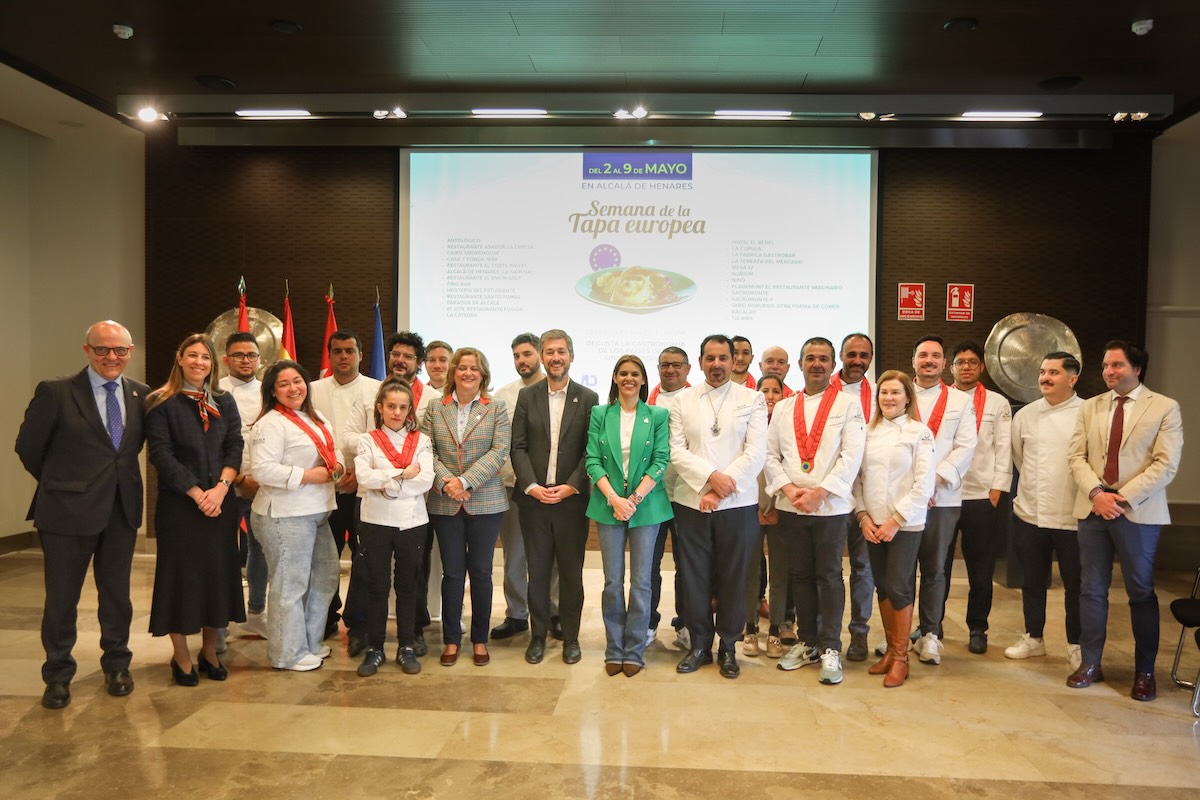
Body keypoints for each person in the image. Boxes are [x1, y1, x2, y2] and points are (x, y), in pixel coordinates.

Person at [16, 320, 149, 710]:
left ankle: (117, 666)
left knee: (117, 597)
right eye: (103, 349)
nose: (112, 357)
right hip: (65, 514)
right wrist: (64, 483)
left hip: (120, 511)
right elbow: (28, 447)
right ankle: (57, 675)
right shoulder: (56, 391)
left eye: (120, 350)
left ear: (130, 352)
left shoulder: (140, 394)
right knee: (61, 599)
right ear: (87, 350)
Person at [1067, 341, 1183, 701]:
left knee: (1141, 591)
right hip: (1093, 509)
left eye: (1116, 365)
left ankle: (1145, 672)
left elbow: (1166, 464)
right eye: (1105, 366)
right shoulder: (1090, 407)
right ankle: (1090, 663)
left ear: (1137, 369)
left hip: (1138, 512)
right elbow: (1076, 457)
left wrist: (1122, 497)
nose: (1108, 372)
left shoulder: (1164, 407)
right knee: (1091, 590)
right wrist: (1097, 494)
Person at [145, 334, 245, 685]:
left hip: (220, 505)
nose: (199, 362)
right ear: (179, 358)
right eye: (192, 355)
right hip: (180, 508)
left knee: (214, 578)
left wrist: (220, 489)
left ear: (213, 363)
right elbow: (161, 455)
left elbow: (235, 445)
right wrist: (197, 493)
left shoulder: (224, 401)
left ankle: (207, 650)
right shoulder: (160, 402)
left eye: (205, 357)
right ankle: (181, 656)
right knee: (180, 579)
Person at [765, 338, 866, 685]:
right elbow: (769, 455)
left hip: (830, 507)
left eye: (824, 359)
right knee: (801, 576)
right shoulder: (783, 407)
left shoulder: (848, 404)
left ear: (833, 363)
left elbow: (851, 456)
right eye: (811, 358)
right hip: (792, 505)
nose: (817, 364)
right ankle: (808, 641)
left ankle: (830, 647)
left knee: (828, 576)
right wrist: (791, 490)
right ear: (800, 363)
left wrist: (820, 493)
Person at [670, 334, 768, 679]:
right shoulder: (682, 400)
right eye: (710, 358)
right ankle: (699, 644)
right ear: (699, 363)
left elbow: (756, 452)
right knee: (693, 576)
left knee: (734, 576)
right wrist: (710, 478)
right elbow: (676, 450)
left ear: (735, 361)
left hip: (738, 505)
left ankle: (728, 646)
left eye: (723, 358)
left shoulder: (753, 399)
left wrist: (723, 487)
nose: (717, 364)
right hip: (691, 501)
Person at [512, 329, 599, 665]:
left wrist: (573, 485)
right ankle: (537, 636)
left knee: (571, 573)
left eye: (561, 351)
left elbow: (590, 451)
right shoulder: (528, 396)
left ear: (571, 356)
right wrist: (531, 485)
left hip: (571, 502)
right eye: (549, 352)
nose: (555, 358)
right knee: (537, 570)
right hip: (533, 502)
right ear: (542, 356)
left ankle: (572, 639)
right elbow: (517, 446)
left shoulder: (588, 398)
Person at [249, 360, 341, 671]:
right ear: (273, 391)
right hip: (285, 515)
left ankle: (309, 642)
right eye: (284, 384)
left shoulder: (315, 417)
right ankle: (286, 653)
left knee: (325, 578)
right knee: (290, 585)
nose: (294, 388)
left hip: (318, 511)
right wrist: (309, 475)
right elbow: (261, 470)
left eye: (298, 381)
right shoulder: (270, 423)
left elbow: (333, 451)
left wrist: (337, 466)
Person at [422, 347, 511, 667]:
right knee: (452, 573)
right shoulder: (435, 408)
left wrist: (466, 482)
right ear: (453, 372)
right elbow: (426, 451)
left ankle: (479, 639)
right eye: (462, 368)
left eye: (474, 368)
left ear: (483, 374)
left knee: (482, 573)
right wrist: (448, 483)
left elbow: (500, 452)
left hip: (486, 503)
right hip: (445, 502)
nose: (467, 373)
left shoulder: (496, 408)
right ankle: (450, 639)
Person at [585, 355, 672, 677]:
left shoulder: (658, 414)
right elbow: (592, 460)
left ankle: (634, 649)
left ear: (644, 380)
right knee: (611, 582)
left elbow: (661, 459)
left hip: (646, 507)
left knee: (641, 582)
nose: (629, 378)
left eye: (635, 374)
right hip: (608, 504)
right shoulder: (599, 413)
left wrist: (633, 499)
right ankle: (614, 647)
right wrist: (614, 498)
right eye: (623, 373)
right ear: (615, 378)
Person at [853, 371, 935, 687]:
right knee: (883, 587)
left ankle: (901, 658)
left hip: (905, 524)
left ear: (907, 397)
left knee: (899, 587)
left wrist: (894, 521)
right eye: (884, 392)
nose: (889, 398)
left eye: (895, 392)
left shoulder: (920, 433)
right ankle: (890, 651)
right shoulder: (867, 432)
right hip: (872, 524)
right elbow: (857, 478)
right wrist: (862, 517)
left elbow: (923, 483)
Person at [1006, 352, 1085, 670]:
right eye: (1042, 372)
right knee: (1032, 580)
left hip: (1073, 516)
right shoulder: (1025, 414)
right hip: (1030, 513)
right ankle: (1033, 637)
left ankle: (1077, 643)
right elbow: (1018, 459)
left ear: (1072, 378)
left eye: (1053, 372)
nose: (1045, 378)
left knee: (1076, 584)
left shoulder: (1087, 412)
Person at [352, 380, 434, 677]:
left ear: (410, 410)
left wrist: (385, 480)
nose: (397, 412)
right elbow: (363, 476)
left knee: (408, 585)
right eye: (391, 406)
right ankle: (375, 648)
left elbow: (425, 480)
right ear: (380, 408)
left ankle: (406, 645)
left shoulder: (421, 440)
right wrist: (401, 473)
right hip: (375, 521)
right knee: (377, 585)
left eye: (402, 407)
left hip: (412, 522)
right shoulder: (367, 440)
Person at [909, 336, 977, 665]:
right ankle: (898, 636)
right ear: (914, 361)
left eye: (936, 355)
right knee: (902, 571)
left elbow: (966, 446)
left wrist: (933, 481)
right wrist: (915, 488)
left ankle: (930, 634)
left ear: (943, 364)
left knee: (935, 569)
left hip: (943, 497)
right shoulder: (899, 393)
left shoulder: (960, 402)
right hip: (903, 499)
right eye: (923, 355)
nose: (929, 361)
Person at [310, 329, 380, 640]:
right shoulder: (311, 390)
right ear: (330, 354)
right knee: (325, 556)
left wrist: (356, 472)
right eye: (337, 351)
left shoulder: (377, 390)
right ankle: (325, 615)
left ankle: (358, 620)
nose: (343, 357)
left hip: (363, 487)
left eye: (349, 351)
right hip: (322, 485)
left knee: (363, 556)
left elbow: (382, 439)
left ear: (361, 355)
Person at [943, 341, 1012, 654]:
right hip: (943, 494)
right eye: (960, 362)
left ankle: (977, 628)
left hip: (980, 495)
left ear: (981, 367)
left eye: (972, 362)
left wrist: (997, 488)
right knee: (937, 568)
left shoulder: (996, 403)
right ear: (951, 367)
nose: (966, 367)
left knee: (980, 569)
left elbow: (1003, 448)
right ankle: (932, 625)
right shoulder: (942, 399)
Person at [491, 333, 560, 641]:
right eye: (517, 356)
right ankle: (517, 613)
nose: (523, 361)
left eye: (528, 354)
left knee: (552, 555)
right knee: (515, 554)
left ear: (541, 357)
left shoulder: (558, 391)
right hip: (512, 486)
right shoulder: (504, 395)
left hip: (553, 489)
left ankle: (553, 611)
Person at [218, 332, 268, 639]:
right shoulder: (214, 391)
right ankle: (220, 620)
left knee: (259, 550)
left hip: (260, 484)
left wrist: (256, 479)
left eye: (251, 355)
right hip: (223, 485)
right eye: (239, 355)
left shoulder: (269, 392)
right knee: (222, 551)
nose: (246, 360)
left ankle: (256, 613)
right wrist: (236, 479)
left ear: (260, 360)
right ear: (226, 359)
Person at [832, 332, 875, 661]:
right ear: (841, 357)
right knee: (828, 569)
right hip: (829, 496)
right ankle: (822, 630)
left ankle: (859, 632)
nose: (857, 360)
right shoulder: (822, 392)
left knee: (863, 567)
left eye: (863, 355)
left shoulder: (880, 395)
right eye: (852, 354)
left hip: (868, 496)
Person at [648, 346, 691, 649]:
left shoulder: (697, 400)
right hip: (650, 496)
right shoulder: (645, 401)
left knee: (687, 565)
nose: (670, 370)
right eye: (665, 365)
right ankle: (647, 622)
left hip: (686, 496)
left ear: (688, 368)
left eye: (677, 365)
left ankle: (686, 623)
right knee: (647, 565)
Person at [752, 373, 788, 659]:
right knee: (750, 570)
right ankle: (750, 626)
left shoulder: (788, 426)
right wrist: (754, 505)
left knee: (780, 573)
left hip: (781, 508)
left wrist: (777, 504)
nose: (770, 396)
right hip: (750, 508)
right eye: (765, 390)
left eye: (776, 391)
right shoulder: (747, 425)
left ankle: (776, 628)